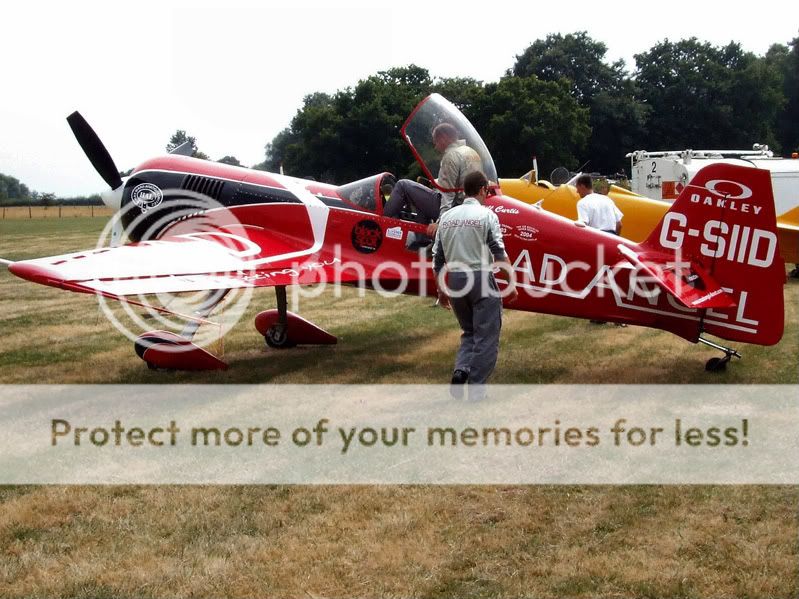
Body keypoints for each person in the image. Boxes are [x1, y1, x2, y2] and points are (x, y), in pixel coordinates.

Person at [433, 170, 517, 397]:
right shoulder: (487, 215)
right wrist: (511, 283)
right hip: (480, 278)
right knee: (486, 335)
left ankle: (461, 370)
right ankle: (477, 388)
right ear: (482, 190)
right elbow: (499, 253)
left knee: (469, 331)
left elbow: (437, 259)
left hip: (455, 280)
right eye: (487, 191)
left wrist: (441, 290)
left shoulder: (447, 217)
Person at [384, 123, 482, 238]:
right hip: (467, 207)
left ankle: (382, 224)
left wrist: (440, 222)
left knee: (403, 185)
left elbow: (447, 194)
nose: (435, 147)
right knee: (421, 197)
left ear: (443, 138)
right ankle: (421, 240)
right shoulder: (470, 152)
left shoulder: (451, 156)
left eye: (436, 142)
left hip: (454, 209)